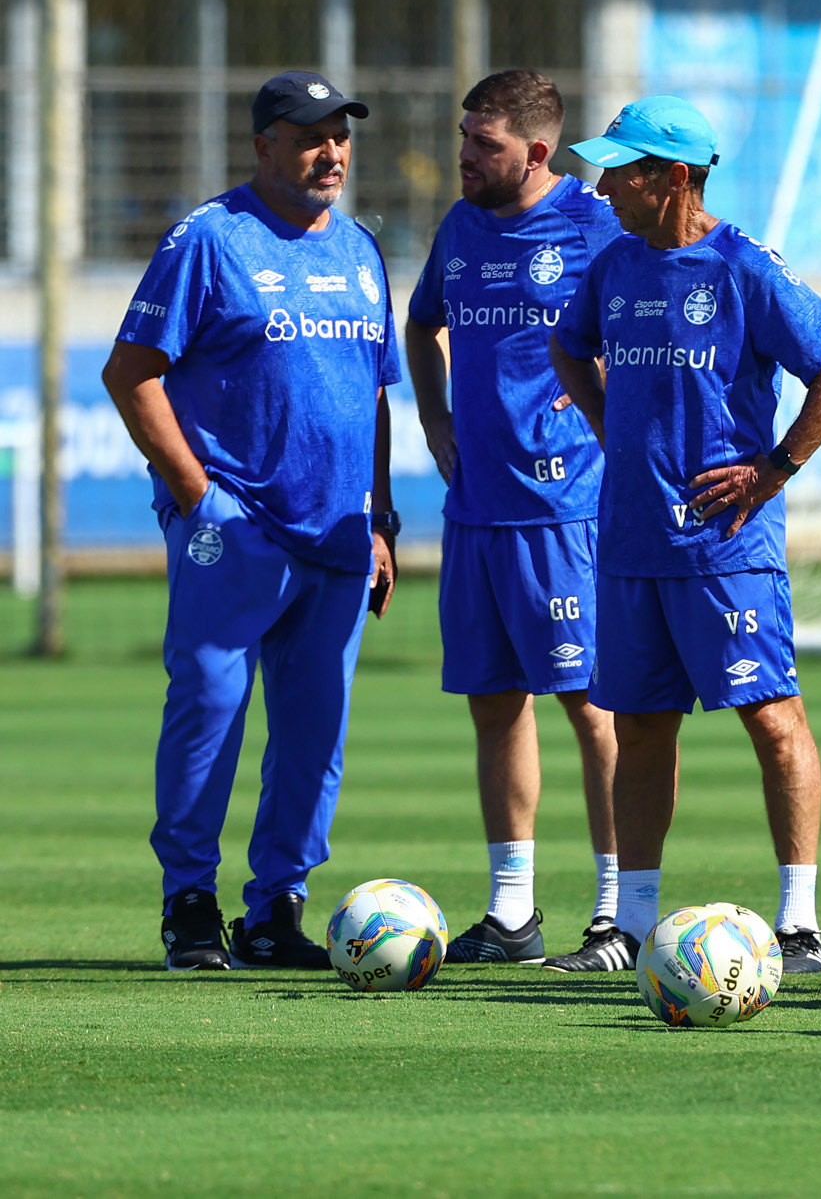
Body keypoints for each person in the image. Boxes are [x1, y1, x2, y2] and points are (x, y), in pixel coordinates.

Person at [550, 97, 821, 973]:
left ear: (675, 177)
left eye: (621, 168)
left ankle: (799, 923)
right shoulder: (614, 264)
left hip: (726, 549)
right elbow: (568, 347)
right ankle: (627, 923)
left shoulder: (741, 266)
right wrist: (611, 424)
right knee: (642, 727)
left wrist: (775, 468)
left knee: (773, 720)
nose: (605, 183)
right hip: (628, 545)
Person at [103, 71, 400, 971]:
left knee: (316, 731)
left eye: (341, 133)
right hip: (234, 525)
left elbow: (374, 397)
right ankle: (189, 902)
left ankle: (277, 907)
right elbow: (132, 373)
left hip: (340, 535)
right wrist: (198, 496)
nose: (332, 150)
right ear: (263, 143)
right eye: (310, 133)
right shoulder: (209, 238)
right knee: (211, 708)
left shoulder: (359, 248)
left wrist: (381, 517)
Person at [405, 70, 630, 970]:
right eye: (463, 138)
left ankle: (619, 913)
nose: (464, 157)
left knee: (593, 708)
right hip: (477, 511)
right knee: (495, 706)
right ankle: (511, 916)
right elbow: (421, 324)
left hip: (565, 510)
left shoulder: (594, 227)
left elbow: (640, 338)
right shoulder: (460, 228)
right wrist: (433, 417)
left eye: (482, 144)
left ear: (537, 152)